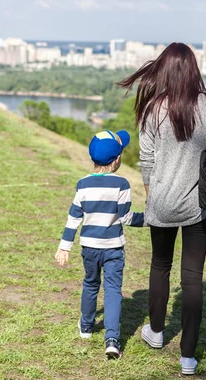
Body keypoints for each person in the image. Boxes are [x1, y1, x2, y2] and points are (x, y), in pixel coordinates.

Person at [118, 43, 206, 375]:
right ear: (195, 69)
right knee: (193, 277)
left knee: (160, 266)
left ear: (165, 71)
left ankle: (156, 333)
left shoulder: (154, 109)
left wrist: (151, 192)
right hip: (201, 205)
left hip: (162, 202)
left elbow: (146, 160)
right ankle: (187, 357)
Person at [54, 130, 146, 359]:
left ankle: (86, 327)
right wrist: (149, 219)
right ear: (117, 160)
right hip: (113, 248)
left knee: (90, 284)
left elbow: (73, 217)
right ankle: (112, 339)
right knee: (113, 290)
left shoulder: (82, 185)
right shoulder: (122, 184)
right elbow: (126, 218)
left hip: (89, 248)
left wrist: (65, 246)